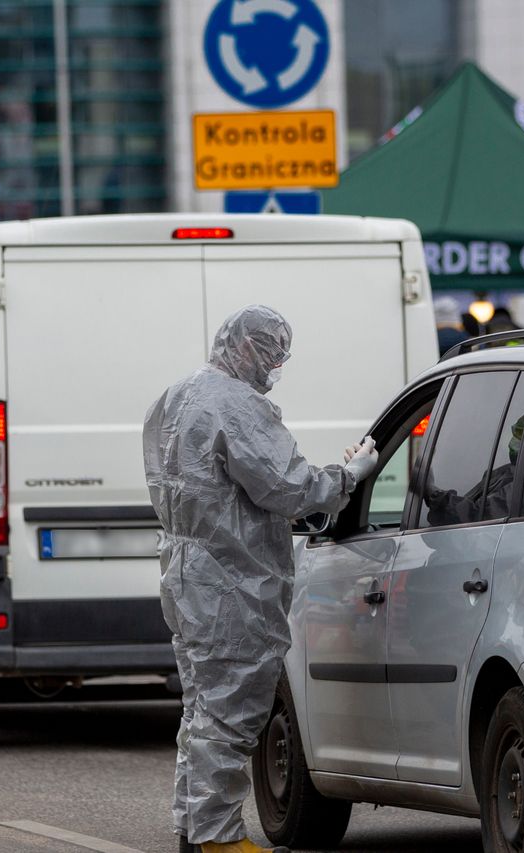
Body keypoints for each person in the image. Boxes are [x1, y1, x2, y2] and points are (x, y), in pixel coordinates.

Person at [142, 306, 378, 853]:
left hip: (186, 575)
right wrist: (349, 476)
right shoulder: (238, 406)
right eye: (271, 353)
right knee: (231, 713)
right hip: (234, 582)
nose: (274, 365)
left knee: (202, 710)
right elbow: (288, 487)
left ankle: (193, 828)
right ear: (246, 347)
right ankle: (219, 839)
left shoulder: (174, 397)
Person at [423, 408, 524, 526]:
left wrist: (433, 493)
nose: (512, 441)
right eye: (514, 433)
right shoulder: (513, 471)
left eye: (520, 434)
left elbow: (481, 516)